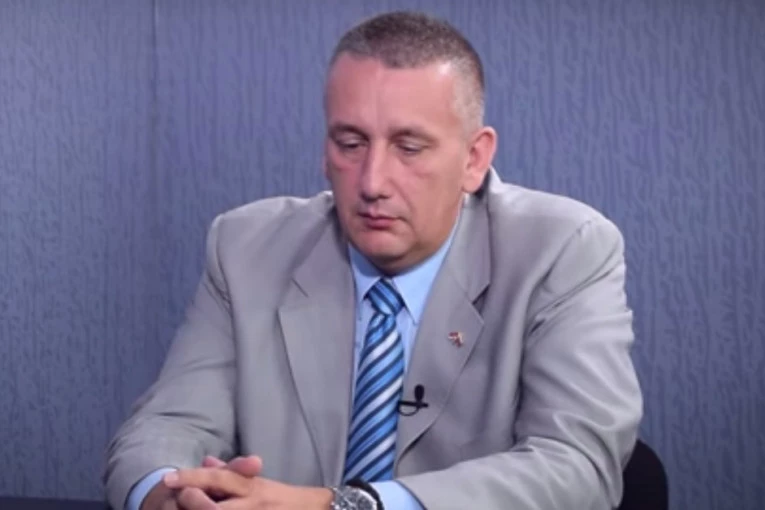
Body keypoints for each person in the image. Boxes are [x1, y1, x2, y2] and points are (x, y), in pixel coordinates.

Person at [104, 10, 642, 510]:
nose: (372, 182)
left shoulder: (562, 251)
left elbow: (579, 466)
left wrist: (344, 506)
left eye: (409, 147)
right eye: (351, 143)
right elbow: (166, 427)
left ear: (474, 158)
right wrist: (172, 496)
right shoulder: (247, 248)